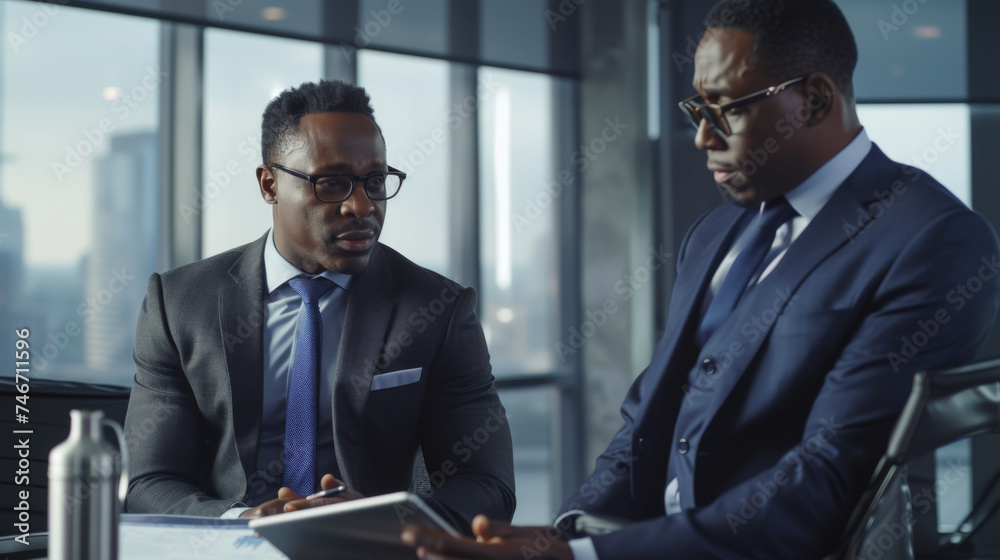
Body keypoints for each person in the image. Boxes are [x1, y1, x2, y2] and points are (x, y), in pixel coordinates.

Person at [401, 0, 1000, 557]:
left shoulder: (933, 240)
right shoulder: (714, 234)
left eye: (727, 109)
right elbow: (645, 421)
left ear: (815, 100)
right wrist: (570, 531)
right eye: (697, 108)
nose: (702, 137)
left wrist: (584, 556)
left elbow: (831, 476)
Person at [123, 80, 515, 531]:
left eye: (374, 181)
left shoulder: (437, 310)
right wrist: (241, 520)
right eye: (332, 183)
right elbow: (148, 482)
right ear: (269, 185)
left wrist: (378, 520)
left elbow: (488, 484)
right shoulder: (178, 305)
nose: (362, 206)